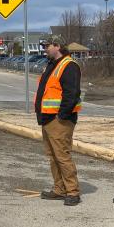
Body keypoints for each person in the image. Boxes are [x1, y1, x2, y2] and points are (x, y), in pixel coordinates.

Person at [34, 35, 82, 206]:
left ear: (57, 45)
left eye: (47, 45)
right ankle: (59, 189)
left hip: (59, 120)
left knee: (62, 155)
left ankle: (72, 192)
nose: (44, 48)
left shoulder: (69, 66)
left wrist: (61, 115)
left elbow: (72, 94)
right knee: (53, 156)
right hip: (47, 119)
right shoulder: (52, 64)